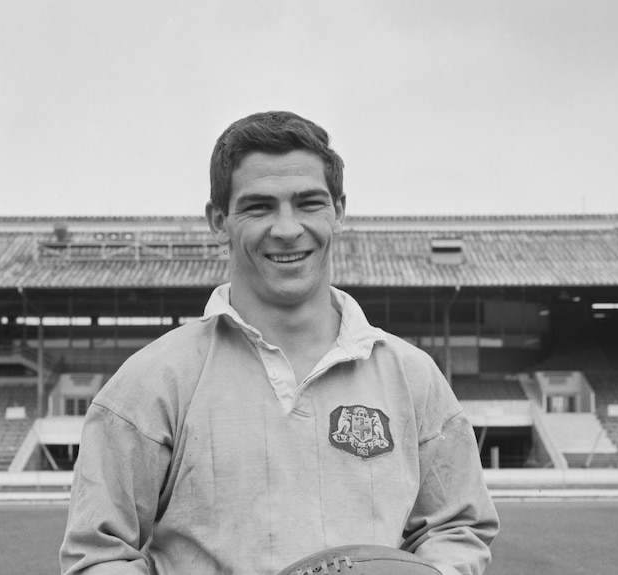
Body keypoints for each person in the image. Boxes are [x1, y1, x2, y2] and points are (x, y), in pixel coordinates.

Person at [60, 111, 499, 575]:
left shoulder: (413, 378)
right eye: (259, 206)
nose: (287, 229)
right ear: (218, 220)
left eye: (309, 203)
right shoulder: (150, 383)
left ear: (339, 211)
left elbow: (456, 528)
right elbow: (99, 555)